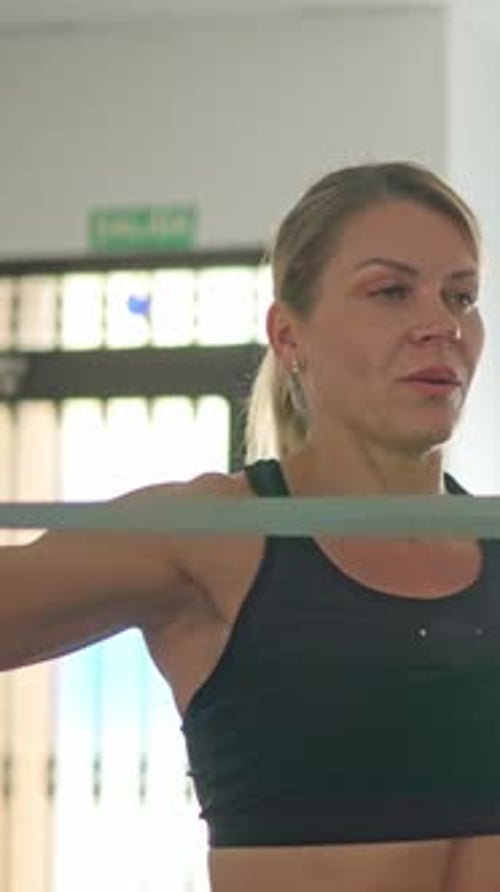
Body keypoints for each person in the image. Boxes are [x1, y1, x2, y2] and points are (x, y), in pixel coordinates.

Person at [1, 160, 499, 892]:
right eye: (391, 292)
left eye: (462, 295)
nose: (442, 325)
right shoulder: (209, 539)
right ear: (289, 334)